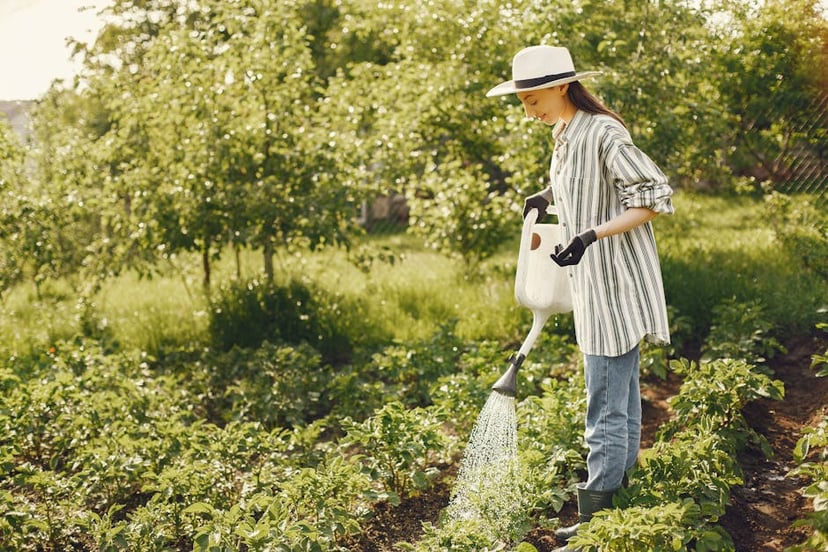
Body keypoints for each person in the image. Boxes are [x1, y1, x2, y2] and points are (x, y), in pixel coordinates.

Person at [487, 45, 674, 549]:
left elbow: (654, 196)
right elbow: (585, 187)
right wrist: (546, 197)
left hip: (615, 283)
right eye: (523, 101)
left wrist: (590, 235)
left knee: (605, 406)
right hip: (592, 285)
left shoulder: (603, 132)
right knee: (621, 398)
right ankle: (619, 504)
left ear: (563, 86)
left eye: (534, 98)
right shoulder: (563, 134)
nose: (529, 109)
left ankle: (598, 520)